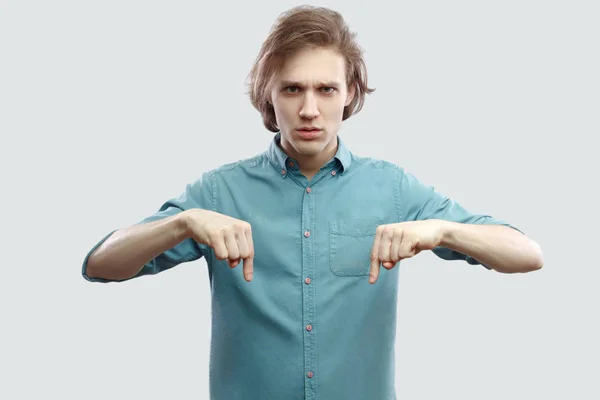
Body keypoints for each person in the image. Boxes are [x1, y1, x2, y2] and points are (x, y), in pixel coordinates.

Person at [82, 5, 544, 399]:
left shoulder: (394, 189)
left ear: (349, 97)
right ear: (269, 95)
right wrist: (182, 224)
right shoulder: (219, 192)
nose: (309, 109)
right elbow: (100, 265)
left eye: (326, 89)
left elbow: (527, 254)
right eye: (292, 89)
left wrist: (442, 230)